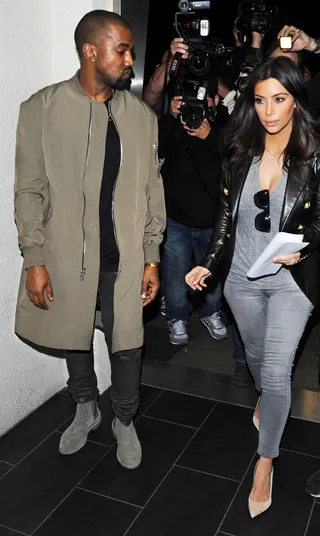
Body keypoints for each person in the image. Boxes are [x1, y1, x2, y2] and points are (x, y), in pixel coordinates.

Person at [14, 10, 166, 470]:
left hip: (123, 259)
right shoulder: (40, 108)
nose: (129, 60)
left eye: (130, 51)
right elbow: (29, 188)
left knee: (127, 343)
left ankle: (123, 418)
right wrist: (35, 257)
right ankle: (85, 407)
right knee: (73, 338)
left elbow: (151, 193)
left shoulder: (141, 117)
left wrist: (152, 257)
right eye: (122, 50)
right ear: (90, 50)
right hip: (65, 257)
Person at [185, 56, 320, 517]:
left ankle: (266, 460)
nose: (269, 110)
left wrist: (305, 246)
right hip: (241, 279)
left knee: (278, 373)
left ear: (296, 103)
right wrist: (208, 264)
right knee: (262, 366)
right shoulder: (241, 151)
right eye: (260, 100)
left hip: (290, 281)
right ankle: (267, 398)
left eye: (279, 99)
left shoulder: (315, 154)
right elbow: (227, 215)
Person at [158, 72, 228, 345]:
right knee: (175, 275)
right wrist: (171, 115)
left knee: (213, 277)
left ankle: (211, 313)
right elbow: (157, 146)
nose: (197, 104)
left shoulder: (227, 123)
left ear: (215, 100)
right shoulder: (177, 121)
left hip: (213, 220)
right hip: (176, 218)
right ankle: (177, 318)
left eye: (203, 98)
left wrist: (210, 135)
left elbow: (237, 161)